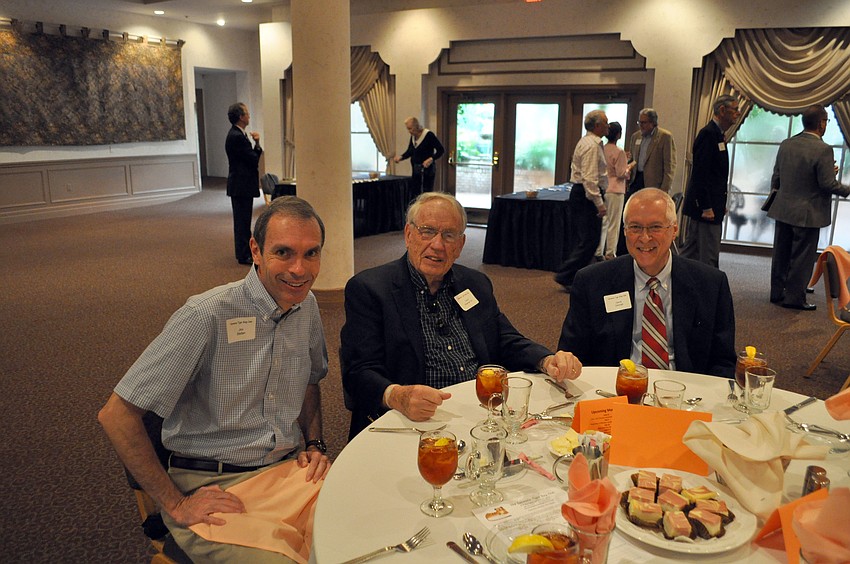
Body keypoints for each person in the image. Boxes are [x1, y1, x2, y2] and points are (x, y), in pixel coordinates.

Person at [98, 196, 331, 562]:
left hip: (289, 473)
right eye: (283, 252)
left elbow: (310, 381)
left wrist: (315, 443)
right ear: (256, 250)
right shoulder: (205, 315)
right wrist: (176, 504)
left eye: (311, 253)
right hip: (216, 487)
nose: (299, 269)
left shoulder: (307, 306)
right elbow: (115, 415)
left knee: (362, 535)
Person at [341, 192, 583, 439]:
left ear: (461, 244)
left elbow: (503, 337)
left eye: (449, 235)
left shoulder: (474, 283)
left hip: (477, 412)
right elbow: (358, 372)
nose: (437, 245)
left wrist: (546, 359)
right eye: (427, 231)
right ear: (408, 234)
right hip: (415, 420)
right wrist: (397, 395)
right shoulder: (370, 289)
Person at [558, 188, 736, 378]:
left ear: (674, 229)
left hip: (684, 393)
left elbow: (723, 362)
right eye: (635, 227)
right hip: (616, 392)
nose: (644, 238)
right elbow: (571, 355)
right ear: (625, 230)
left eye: (655, 227)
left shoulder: (710, 285)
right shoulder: (592, 283)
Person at [768, 104, 850, 310]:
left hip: (783, 208)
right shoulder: (823, 149)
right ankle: (795, 297)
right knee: (802, 257)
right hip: (808, 212)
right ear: (821, 123)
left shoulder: (787, 144)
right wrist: (846, 189)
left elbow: (777, 177)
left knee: (781, 254)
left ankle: (777, 292)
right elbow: (827, 184)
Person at [680, 95, 741, 268]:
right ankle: (708, 291)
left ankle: (677, 281)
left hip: (712, 204)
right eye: (735, 109)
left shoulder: (718, 135)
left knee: (691, 251)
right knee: (708, 256)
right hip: (705, 208)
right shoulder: (708, 134)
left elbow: (716, 175)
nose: (738, 113)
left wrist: (719, 202)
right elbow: (700, 174)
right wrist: (707, 206)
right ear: (722, 111)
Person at [554, 110, 608, 291]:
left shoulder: (587, 142)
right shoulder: (592, 145)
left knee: (584, 239)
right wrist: (599, 204)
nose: (608, 126)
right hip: (586, 196)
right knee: (589, 240)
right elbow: (590, 178)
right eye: (606, 123)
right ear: (597, 125)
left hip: (582, 194)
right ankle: (566, 275)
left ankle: (575, 277)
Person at [225, 102, 263, 265]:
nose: (249, 116)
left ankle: (244, 252)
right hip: (241, 185)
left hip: (240, 184)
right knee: (242, 221)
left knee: (243, 220)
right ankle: (243, 254)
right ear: (241, 117)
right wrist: (257, 143)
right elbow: (253, 159)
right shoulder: (237, 136)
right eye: (247, 113)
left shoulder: (237, 134)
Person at [595, 121, 635, 260]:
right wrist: (629, 168)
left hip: (604, 188)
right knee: (614, 222)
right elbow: (620, 173)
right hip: (616, 189)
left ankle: (599, 251)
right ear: (618, 135)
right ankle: (610, 252)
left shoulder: (602, 149)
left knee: (604, 222)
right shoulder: (619, 152)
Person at [627, 108, 677, 194]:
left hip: (654, 184)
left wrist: (665, 189)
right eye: (639, 122)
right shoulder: (635, 136)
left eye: (644, 122)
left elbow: (670, 166)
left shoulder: (665, 137)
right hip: (636, 180)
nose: (641, 125)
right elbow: (631, 159)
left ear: (653, 123)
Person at [393, 116, 445, 193]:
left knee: (426, 192)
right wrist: (401, 157)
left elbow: (441, 150)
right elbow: (411, 151)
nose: (409, 131)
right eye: (408, 129)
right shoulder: (413, 137)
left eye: (410, 128)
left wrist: (431, 159)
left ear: (416, 126)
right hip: (416, 168)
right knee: (415, 191)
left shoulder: (428, 135)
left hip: (427, 169)